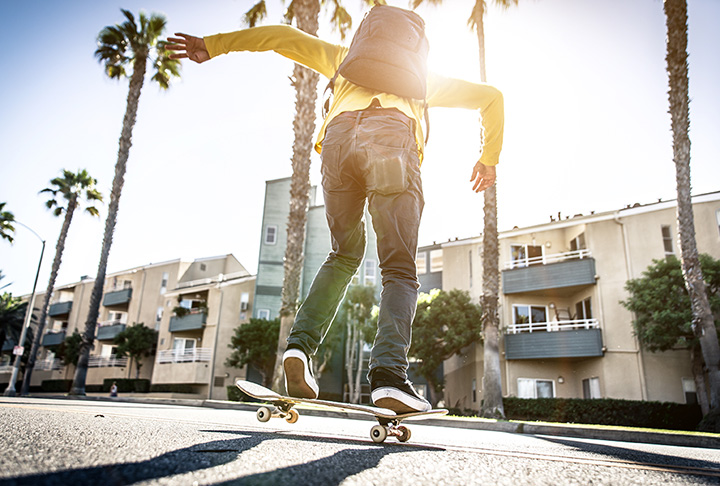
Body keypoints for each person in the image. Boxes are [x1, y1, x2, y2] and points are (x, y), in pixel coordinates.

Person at [167, 7, 503, 414]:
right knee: (398, 268)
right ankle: (389, 377)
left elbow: (279, 36)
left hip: (338, 144)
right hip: (392, 142)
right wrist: (488, 157)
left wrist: (213, 45)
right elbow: (492, 98)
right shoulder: (422, 80)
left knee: (344, 254)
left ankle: (299, 349)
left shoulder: (344, 57)